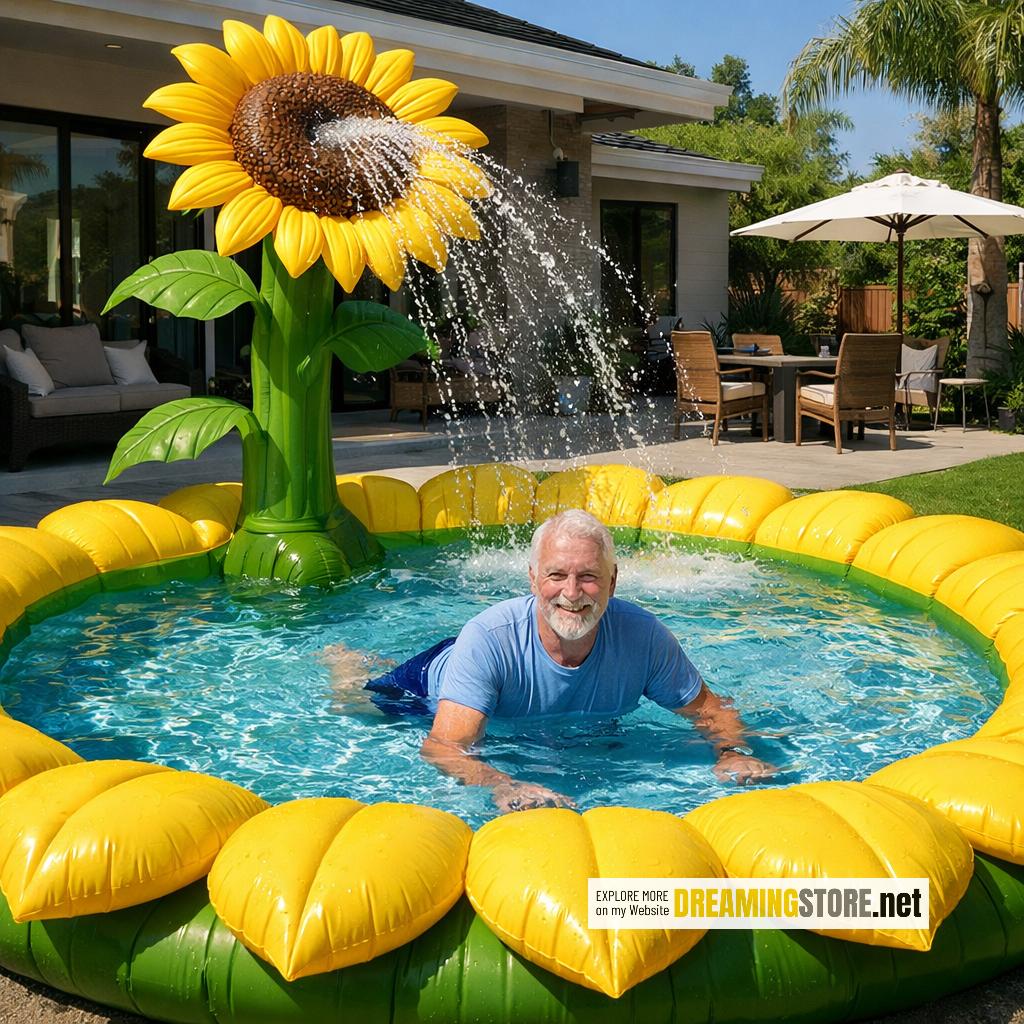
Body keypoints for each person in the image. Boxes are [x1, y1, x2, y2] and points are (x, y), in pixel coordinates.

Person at [329, 509, 773, 813]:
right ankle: (347, 665)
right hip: (426, 685)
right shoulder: (487, 639)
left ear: (613, 581)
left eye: (588, 577)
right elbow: (444, 747)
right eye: (556, 575)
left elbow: (711, 710)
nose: (572, 593)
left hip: (497, 676)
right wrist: (503, 784)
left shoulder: (643, 636)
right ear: (532, 579)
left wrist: (732, 753)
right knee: (356, 704)